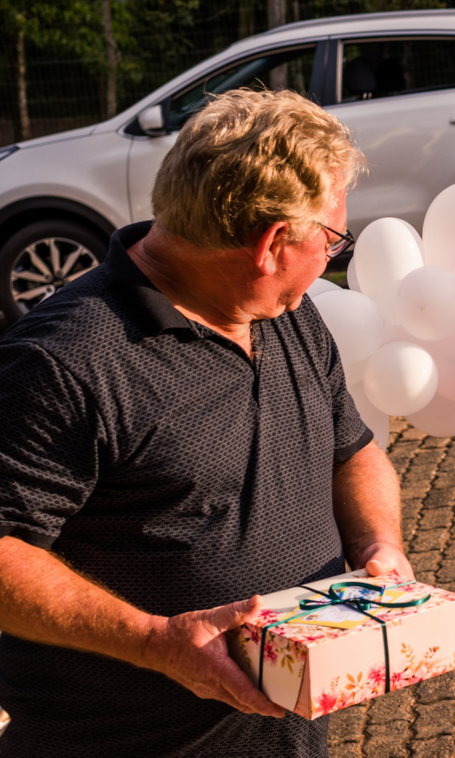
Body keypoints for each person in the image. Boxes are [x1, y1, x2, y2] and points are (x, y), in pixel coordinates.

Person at [0, 88, 413, 758]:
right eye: (333, 239)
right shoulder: (64, 360)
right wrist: (153, 641)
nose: (333, 257)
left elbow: (352, 448)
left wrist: (378, 544)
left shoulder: (286, 314)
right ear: (273, 243)